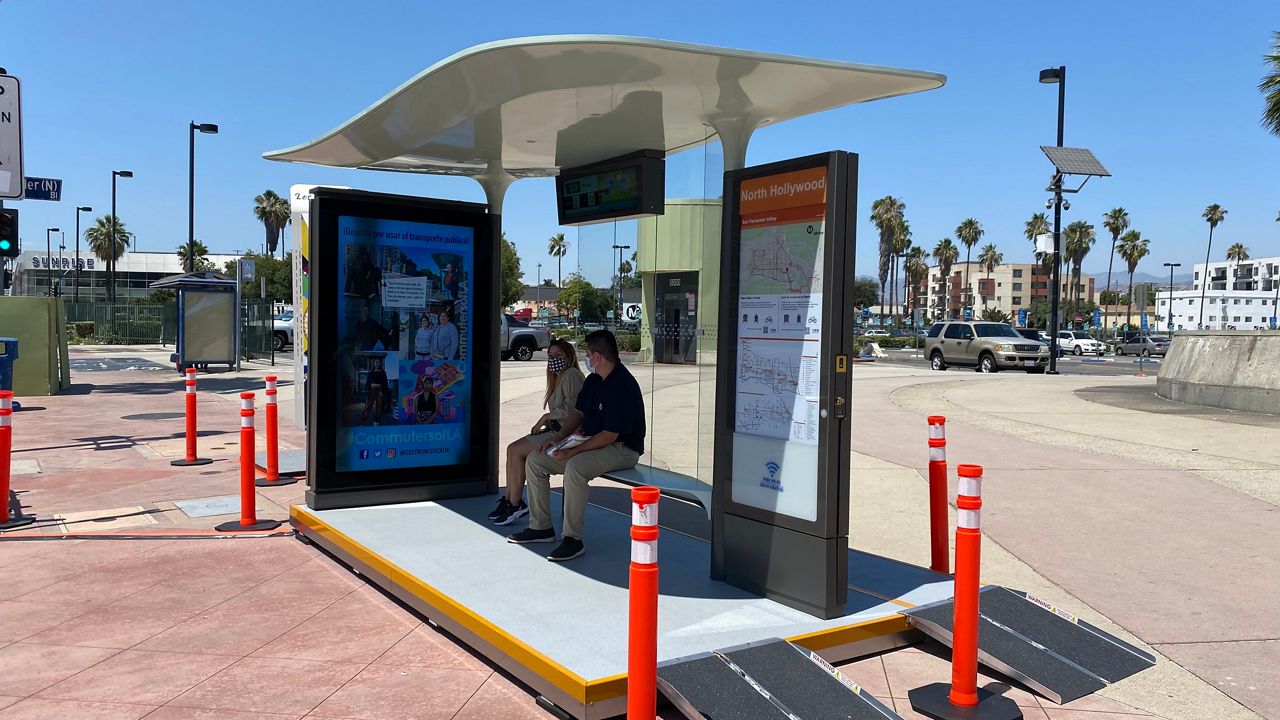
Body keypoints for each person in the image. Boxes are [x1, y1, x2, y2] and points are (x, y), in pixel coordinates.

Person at [508, 330, 645, 561]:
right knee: (535, 460)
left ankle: (572, 539)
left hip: (622, 449)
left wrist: (572, 450)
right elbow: (577, 413)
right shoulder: (593, 381)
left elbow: (610, 435)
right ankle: (541, 527)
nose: (586, 359)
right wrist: (558, 438)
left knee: (576, 467)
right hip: (592, 440)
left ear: (598, 356)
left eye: (588, 354)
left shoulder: (623, 385)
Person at [489, 340, 585, 525]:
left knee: (516, 450)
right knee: (512, 450)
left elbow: (574, 410)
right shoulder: (557, 377)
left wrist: (546, 417)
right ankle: (510, 499)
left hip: (565, 435)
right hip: (554, 430)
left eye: (558, 356)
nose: (553, 360)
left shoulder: (571, 375)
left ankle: (515, 503)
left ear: (569, 357)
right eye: (550, 356)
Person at [362, 356, 388, 424]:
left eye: (379, 362)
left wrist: (384, 392)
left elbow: (385, 383)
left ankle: (376, 420)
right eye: (376, 362)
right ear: (373, 363)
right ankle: (364, 417)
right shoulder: (371, 373)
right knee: (369, 405)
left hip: (380, 391)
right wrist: (367, 390)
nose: (377, 364)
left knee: (379, 406)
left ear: (380, 364)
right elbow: (368, 382)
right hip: (372, 390)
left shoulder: (383, 372)